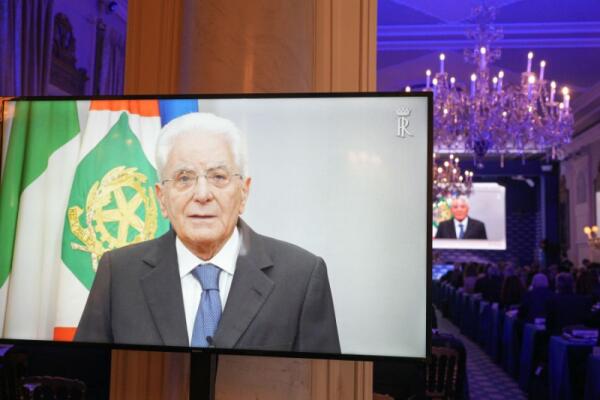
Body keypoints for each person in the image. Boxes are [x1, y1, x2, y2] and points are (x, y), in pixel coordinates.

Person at [75, 112, 341, 353]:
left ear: (244, 192)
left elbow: (319, 382)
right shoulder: (118, 274)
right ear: (162, 198)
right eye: (184, 178)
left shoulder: (302, 276)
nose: (202, 195)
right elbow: (86, 377)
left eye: (218, 177)